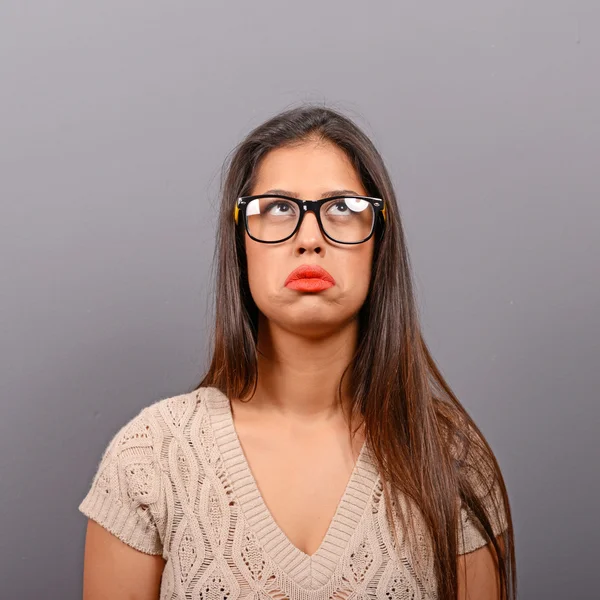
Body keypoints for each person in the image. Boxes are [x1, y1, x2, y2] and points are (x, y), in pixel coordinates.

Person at [79, 105, 516, 600]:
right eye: (278, 208)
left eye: (344, 209)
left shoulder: (452, 460)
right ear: (240, 240)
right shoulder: (151, 459)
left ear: (380, 240)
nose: (310, 239)